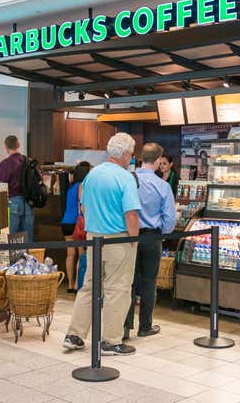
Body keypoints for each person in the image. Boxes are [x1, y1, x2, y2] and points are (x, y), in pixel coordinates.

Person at [63, 133, 141, 356]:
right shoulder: (125, 177)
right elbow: (132, 215)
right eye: (131, 153)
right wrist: (133, 240)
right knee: (118, 290)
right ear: (125, 154)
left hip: (93, 239)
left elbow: (84, 208)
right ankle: (110, 341)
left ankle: (75, 335)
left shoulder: (92, 175)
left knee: (89, 287)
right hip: (119, 239)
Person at [124, 143, 176, 340]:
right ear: (157, 161)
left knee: (127, 282)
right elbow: (169, 220)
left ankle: (125, 327)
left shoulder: (128, 180)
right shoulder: (162, 186)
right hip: (152, 237)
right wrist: (160, 230)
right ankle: (145, 325)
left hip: (129, 236)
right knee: (149, 283)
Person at [0, 135, 34, 242]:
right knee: (27, 237)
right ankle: (28, 258)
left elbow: (0, 185)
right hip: (28, 202)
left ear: (6, 147)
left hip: (13, 202)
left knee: (11, 237)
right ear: (18, 145)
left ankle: (11, 259)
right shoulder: (28, 161)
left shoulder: (5, 163)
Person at [60, 161, 91, 293]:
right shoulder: (82, 185)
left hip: (66, 222)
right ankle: (79, 285)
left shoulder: (71, 186)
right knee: (81, 254)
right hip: (77, 223)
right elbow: (82, 203)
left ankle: (70, 285)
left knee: (70, 254)